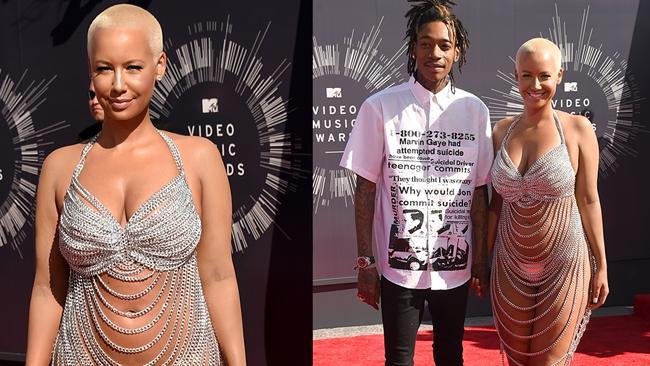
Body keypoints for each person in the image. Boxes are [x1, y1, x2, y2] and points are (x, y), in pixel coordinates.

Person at [25, 4, 245, 365]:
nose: (117, 85)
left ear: (159, 66)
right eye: (103, 69)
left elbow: (219, 276)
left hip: (188, 355)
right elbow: (47, 289)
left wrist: (237, 361)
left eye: (133, 67)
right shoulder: (60, 168)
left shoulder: (199, 158)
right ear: (90, 71)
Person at [340, 1, 493, 364]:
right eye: (425, 43)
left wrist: (482, 261)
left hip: (454, 269)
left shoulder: (475, 111)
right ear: (413, 48)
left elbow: (479, 192)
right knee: (398, 358)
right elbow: (365, 189)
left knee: (450, 356)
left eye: (444, 45)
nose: (434, 53)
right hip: (398, 269)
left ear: (457, 51)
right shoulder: (379, 107)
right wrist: (366, 263)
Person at [488, 38, 609, 366]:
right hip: (509, 265)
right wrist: (483, 261)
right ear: (516, 75)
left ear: (559, 75)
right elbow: (495, 206)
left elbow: (588, 200)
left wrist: (601, 265)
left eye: (544, 75)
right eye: (526, 75)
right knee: (516, 361)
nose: (535, 85)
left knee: (549, 362)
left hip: (565, 263)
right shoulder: (500, 131)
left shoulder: (578, 128)